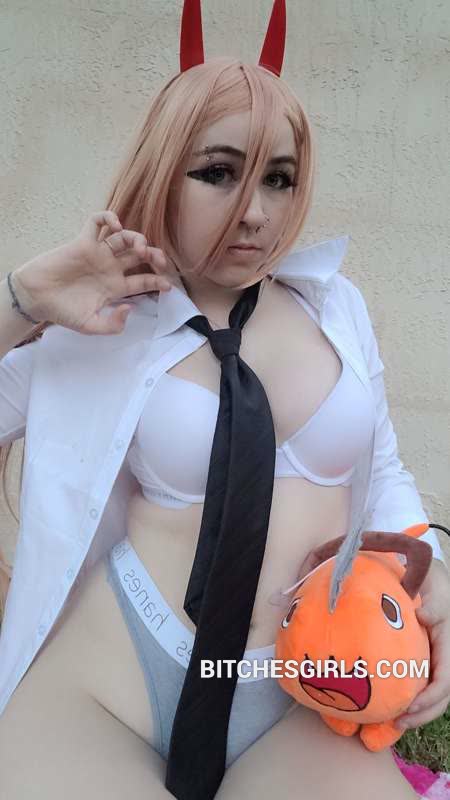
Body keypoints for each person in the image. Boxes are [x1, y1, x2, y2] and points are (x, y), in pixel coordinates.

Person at [0, 10, 449, 799]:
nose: (256, 212)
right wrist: (21, 303)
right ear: (163, 170)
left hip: (302, 684)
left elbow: (381, 470)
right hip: (116, 671)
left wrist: (432, 570)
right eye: (218, 172)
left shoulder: (334, 309)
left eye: (279, 178)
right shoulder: (104, 323)